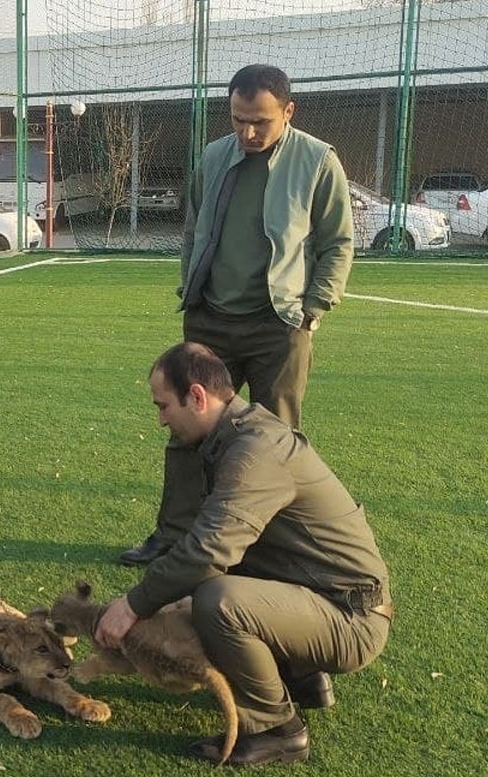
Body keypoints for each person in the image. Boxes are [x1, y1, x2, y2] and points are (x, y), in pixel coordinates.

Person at [96, 342, 391, 766]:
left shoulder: (254, 451)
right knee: (214, 585)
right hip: (328, 598)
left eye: (163, 406)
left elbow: (207, 551)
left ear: (197, 397)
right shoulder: (238, 436)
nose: (160, 419)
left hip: (352, 619)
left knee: (218, 602)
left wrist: (133, 605)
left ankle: (277, 728)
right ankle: (302, 678)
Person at [120, 64, 354, 566]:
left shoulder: (317, 161)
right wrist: (191, 289)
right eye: (238, 120)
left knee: (275, 445)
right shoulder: (213, 155)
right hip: (209, 322)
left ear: (288, 112)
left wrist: (313, 310)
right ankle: (174, 535)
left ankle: (269, 552)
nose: (247, 132)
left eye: (260, 122)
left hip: (279, 327)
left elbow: (338, 243)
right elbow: (193, 228)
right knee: (185, 430)